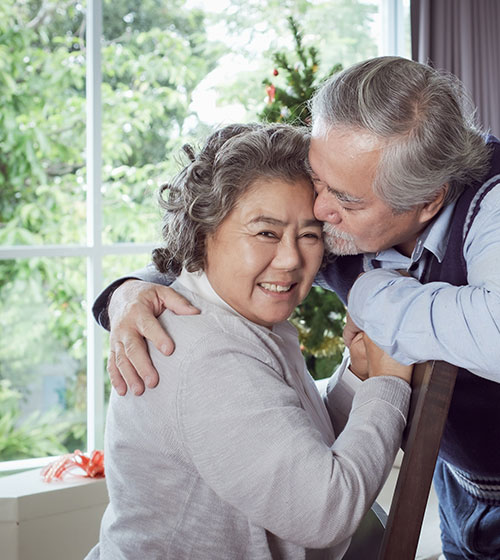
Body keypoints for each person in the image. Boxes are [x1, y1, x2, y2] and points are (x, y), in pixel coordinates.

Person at [95, 57, 500, 559]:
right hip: (465, 476)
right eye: (318, 179)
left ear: (426, 200)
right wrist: (125, 295)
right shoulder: (335, 184)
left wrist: (371, 295)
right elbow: (214, 235)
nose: (318, 209)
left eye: (345, 200)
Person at [87, 123, 412, 560]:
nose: (292, 259)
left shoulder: (241, 318)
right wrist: (389, 383)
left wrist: (358, 376)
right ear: (204, 231)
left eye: (309, 235)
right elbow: (325, 512)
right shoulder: (204, 351)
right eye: (266, 233)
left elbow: (286, 441)